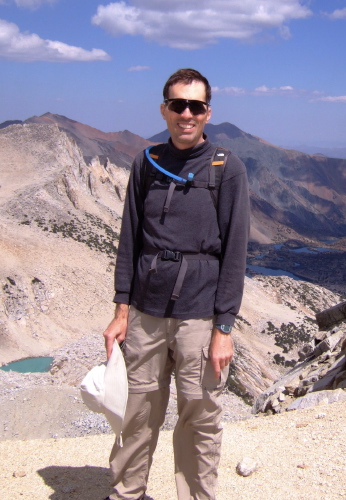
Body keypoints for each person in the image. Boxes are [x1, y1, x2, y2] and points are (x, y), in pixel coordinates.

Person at [102, 68, 250, 500]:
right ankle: (127, 493)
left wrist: (224, 329)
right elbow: (129, 238)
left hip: (200, 316)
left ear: (208, 113)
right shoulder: (146, 162)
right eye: (178, 104)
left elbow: (235, 253)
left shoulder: (228, 168)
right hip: (147, 312)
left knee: (199, 416)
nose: (187, 113)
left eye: (196, 106)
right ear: (164, 109)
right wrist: (120, 312)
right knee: (138, 411)